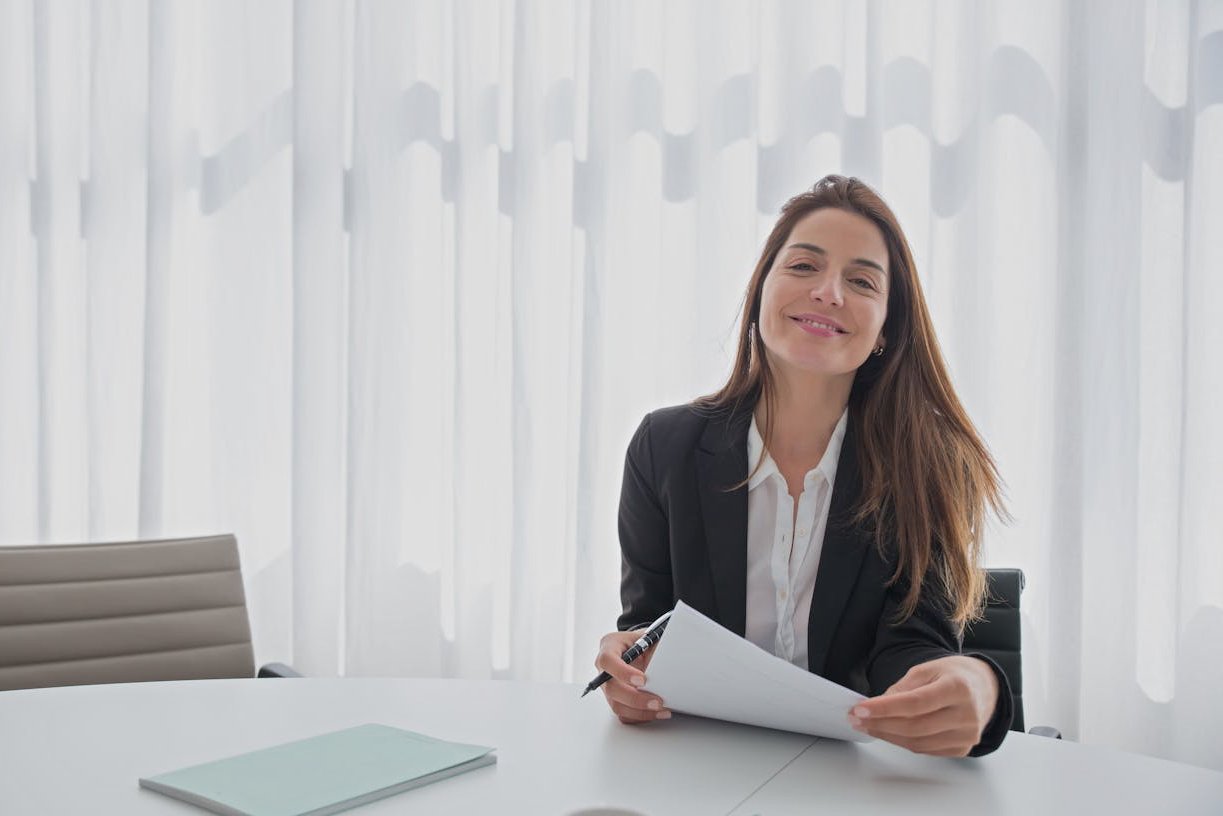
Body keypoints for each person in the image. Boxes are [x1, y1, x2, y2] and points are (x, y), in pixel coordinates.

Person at [593, 175, 1013, 757]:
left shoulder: (932, 466)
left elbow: (913, 650)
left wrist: (979, 685)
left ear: (886, 330)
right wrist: (632, 665)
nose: (828, 292)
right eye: (803, 267)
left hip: (850, 778)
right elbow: (652, 627)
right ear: (761, 290)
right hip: (699, 769)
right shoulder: (664, 447)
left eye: (861, 280)